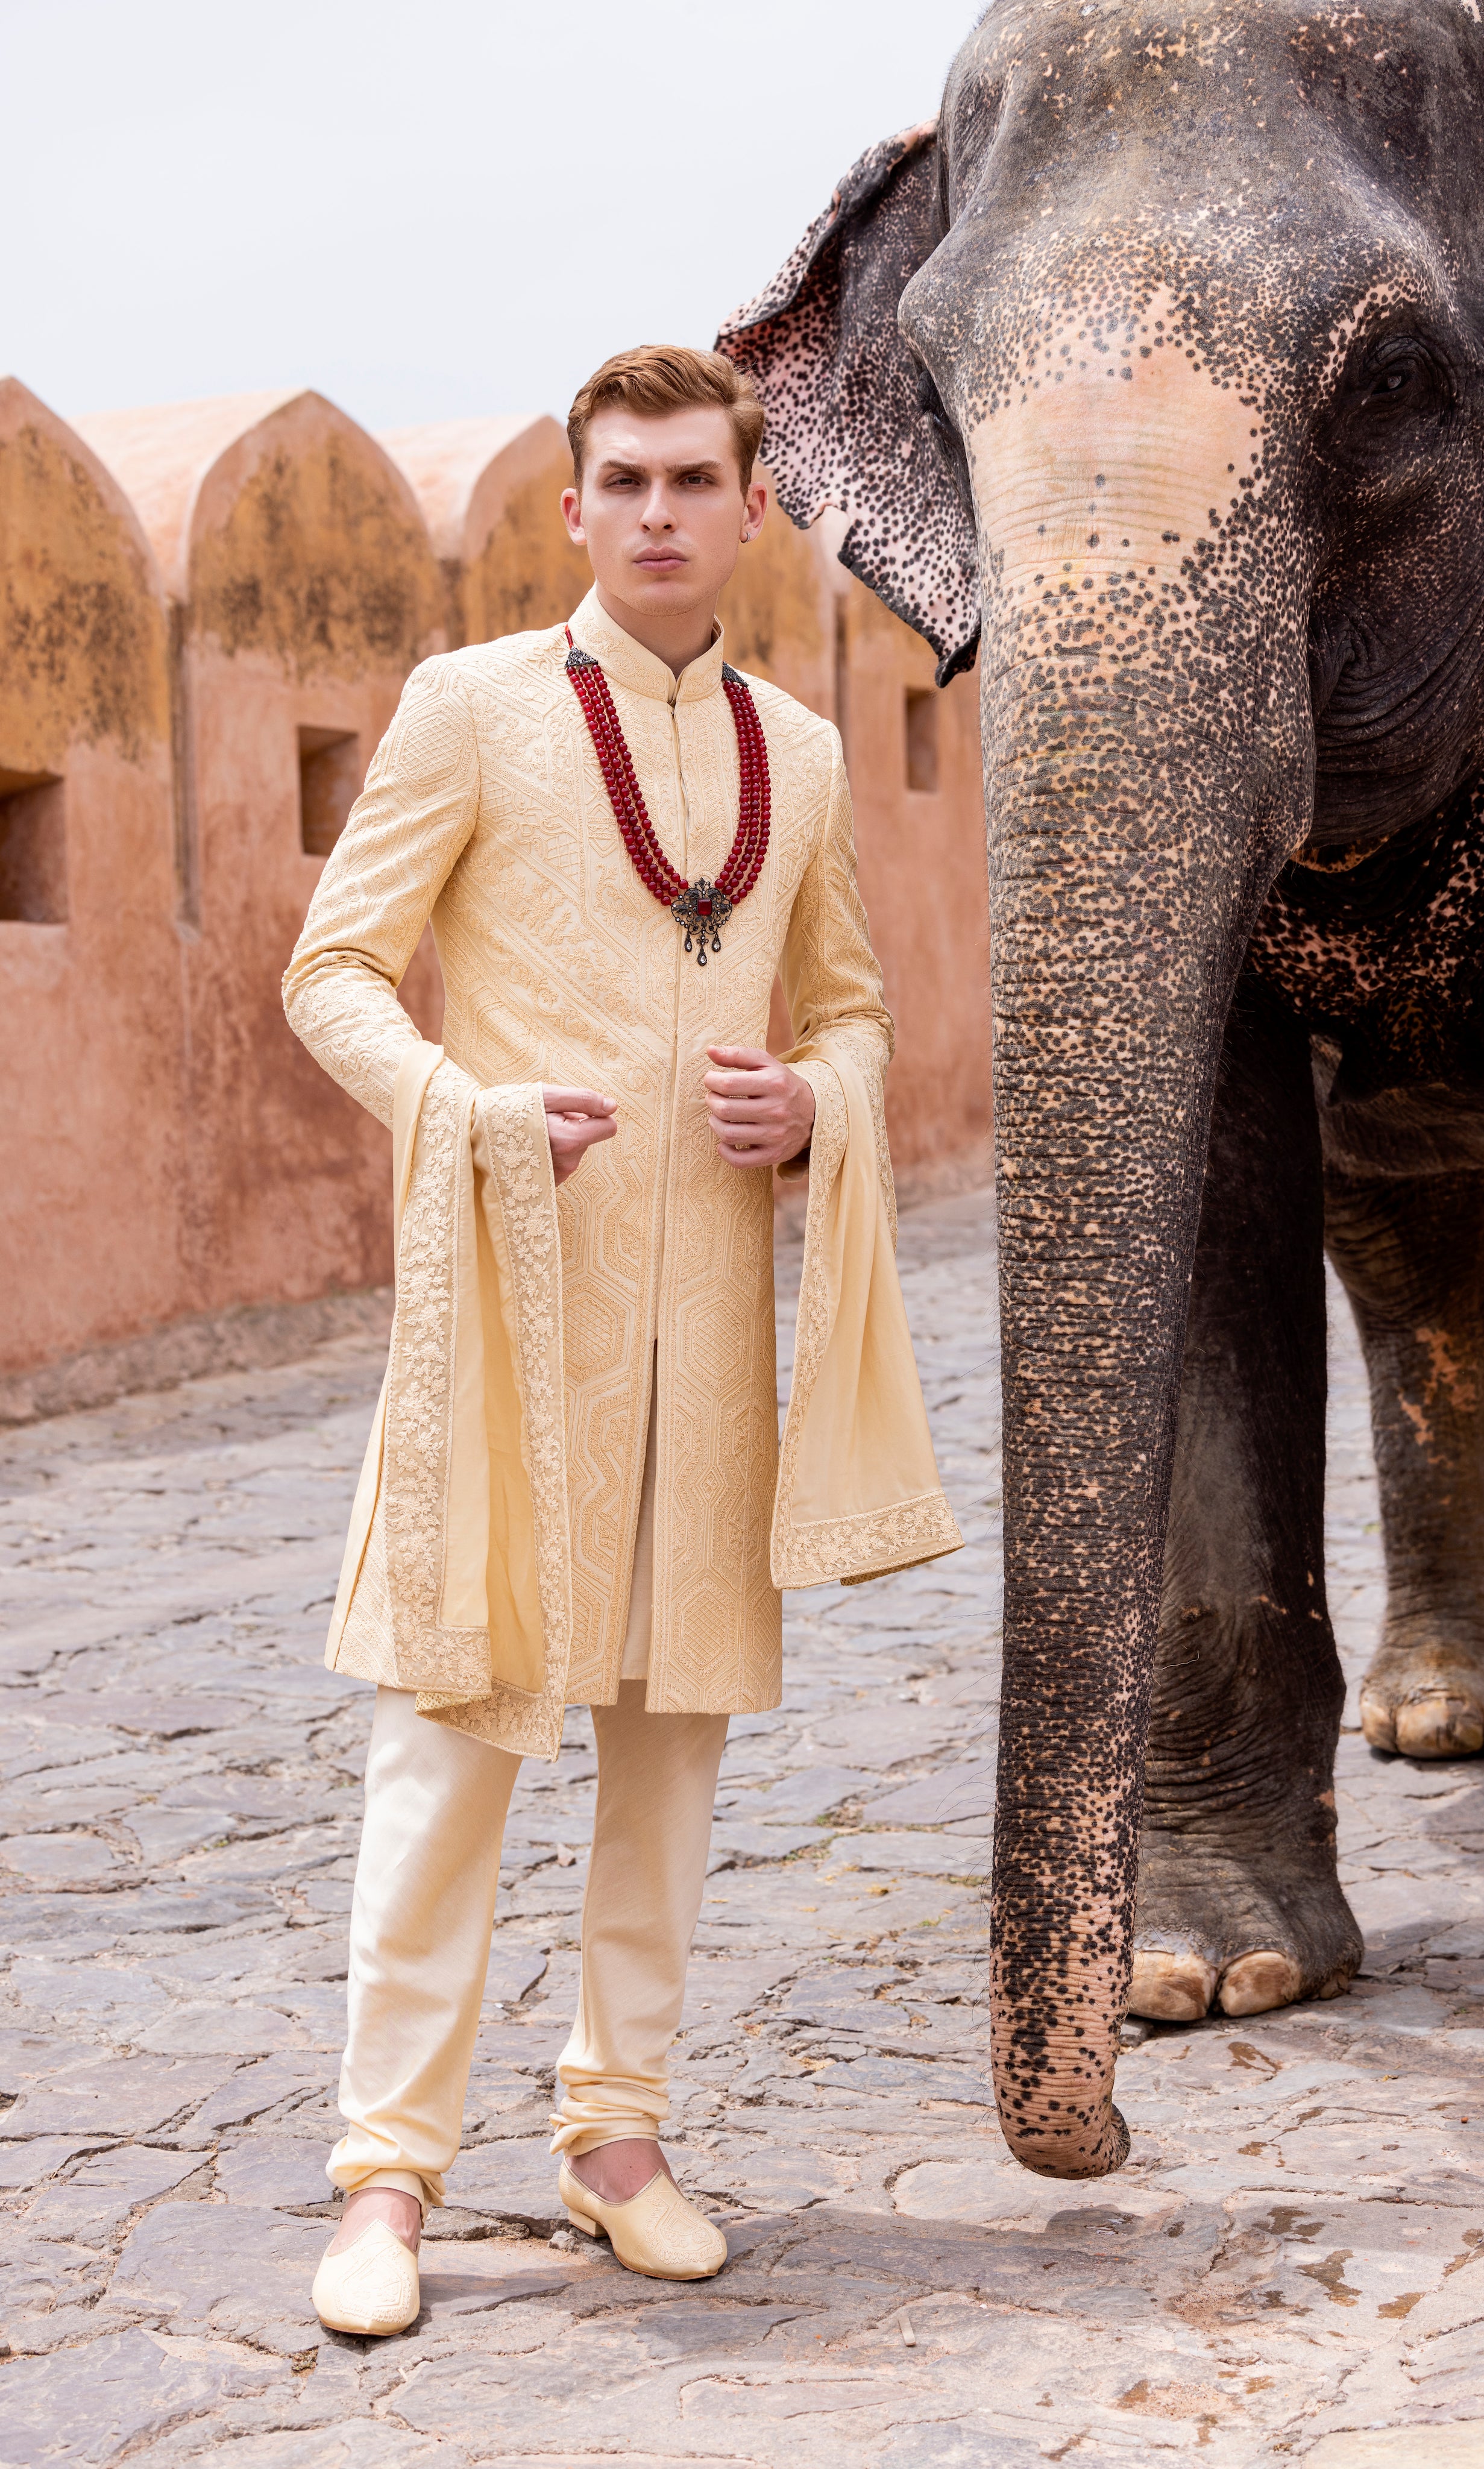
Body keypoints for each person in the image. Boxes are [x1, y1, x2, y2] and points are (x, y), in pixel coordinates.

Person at [282, 344, 961, 2337]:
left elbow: (849, 1008)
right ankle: (385, 2179)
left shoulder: (800, 755)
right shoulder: (470, 712)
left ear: (754, 514)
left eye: (693, 480)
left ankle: (617, 2136)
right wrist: (466, 1115)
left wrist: (818, 1109)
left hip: (704, 1340)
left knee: (669, 1755)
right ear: (569, 510)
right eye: (623, 481)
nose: (658, 512)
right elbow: (332, 973)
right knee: (450, 1741)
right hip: (510, 1317)